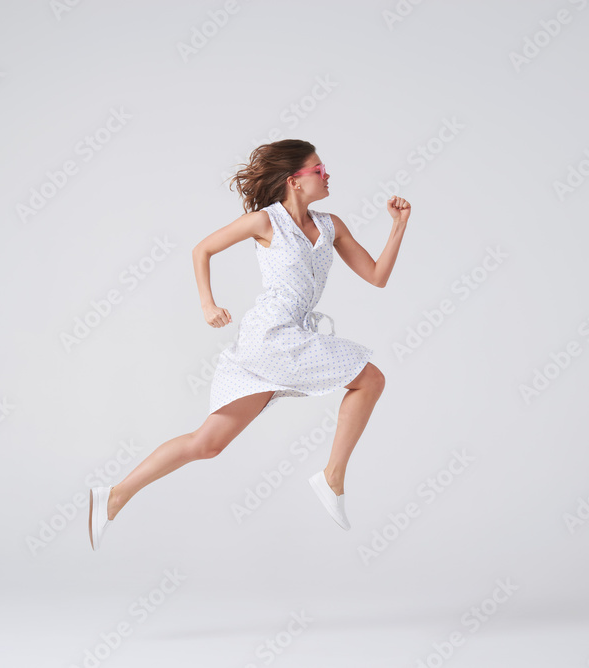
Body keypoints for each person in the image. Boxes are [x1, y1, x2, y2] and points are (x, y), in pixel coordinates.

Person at [88, 139, 410, 550]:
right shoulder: (265, 222)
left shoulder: (331, 226)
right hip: (271, 337)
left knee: (207, 444)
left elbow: (377, 276)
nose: (327, 174)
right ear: (295, 181)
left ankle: (113, 496)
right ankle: (332, 478)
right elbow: (202, 249)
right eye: (318, 169)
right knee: (371, 379)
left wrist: (398, 226)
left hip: (287, 338)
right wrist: (207, 303)